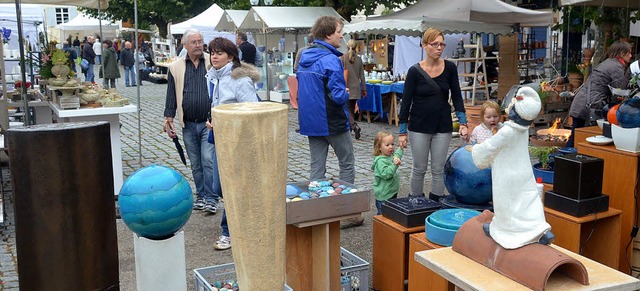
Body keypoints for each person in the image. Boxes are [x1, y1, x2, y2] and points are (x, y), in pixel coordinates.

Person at [470, 86, 554, 249]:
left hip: (507, 173)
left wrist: (475, 150)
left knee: (507, 203)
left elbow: (489, 147)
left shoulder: (507, 131)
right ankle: (540, 229)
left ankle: (503, 231)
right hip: (523, 172)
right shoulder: (523, 130)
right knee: (528, 201)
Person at [297, 16, 360, 228]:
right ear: (328, 34)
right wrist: (346, 92)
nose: (342, 35)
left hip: (311, 123)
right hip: (332, 121)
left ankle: (317, 212)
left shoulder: (304, 56)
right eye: (339, 31)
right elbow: (337, 95)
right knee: (347, 163)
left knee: (317, 169)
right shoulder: (330, 59)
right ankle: (347, 213)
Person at [398, 27, 468, 201]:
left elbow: (457, 96)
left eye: (441, 44)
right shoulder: (414, 71)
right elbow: (406, 102)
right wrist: (402, 132)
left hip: (442, 125)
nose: (439, 47)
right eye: (434, 44)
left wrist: (463, 122)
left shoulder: (450, 67)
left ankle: (436, 203)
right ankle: (415, 201)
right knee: (419, 168)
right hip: (419, 126)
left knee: (438, 169)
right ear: (424, 46)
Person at [205, 37, 261, 250]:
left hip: (238, 143)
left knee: (230, 187)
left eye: (219, 53)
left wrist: (223, 124)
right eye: (212, 52)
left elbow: (251, 113)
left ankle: (229, 232)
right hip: (221, 140)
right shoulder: (214, 76)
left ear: (231, 56)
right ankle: (245, 220)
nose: (214, 56)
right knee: (219, 187)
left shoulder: (240, 79)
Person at [163, 29, 218, 214]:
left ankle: (212, 198)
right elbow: (171, 94)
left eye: (200, 41)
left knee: (208, 160)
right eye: (193, 42)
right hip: (188, 123)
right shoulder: (176, 67)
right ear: (185, 45)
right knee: (195, 163)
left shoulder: (212, 62)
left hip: (208, 123)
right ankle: (201, 195)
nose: (198, 45)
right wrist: (168, 118)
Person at [566, 40, 632, 148]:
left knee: (575, 136)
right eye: (628, 52)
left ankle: (559, 161)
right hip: (589, 106)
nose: (631, 55)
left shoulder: (607, 63)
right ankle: (559, 162)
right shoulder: (616, 67)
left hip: (581, 103)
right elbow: (618, 92)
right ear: (621, 53)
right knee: (579, 139)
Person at [372, 131, 403, 215]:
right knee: (383, 216)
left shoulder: (389, 156)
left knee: (391, 213)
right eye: (387, 145)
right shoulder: (380, 161)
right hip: (384, 195)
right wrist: (394, 165)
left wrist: (400, 148)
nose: (391, 147)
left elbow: (396, 156)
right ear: (379, 147)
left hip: (391, 192)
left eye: (392, 144)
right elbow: (386, 174)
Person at [344, 39, 367, 140]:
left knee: (347, 110)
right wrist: (364, 89)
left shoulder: (342, 58)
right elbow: (362, 76)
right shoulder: (359, 59)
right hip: (356, 88)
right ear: (356, 47)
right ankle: (349, 128)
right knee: (351, 109)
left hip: (346, 87)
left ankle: (354, 126)